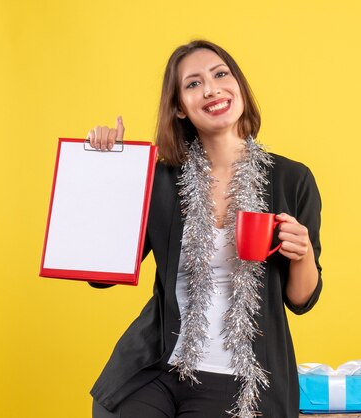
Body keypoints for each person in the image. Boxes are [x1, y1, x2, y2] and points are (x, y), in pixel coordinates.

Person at [88, 40, 323, 418]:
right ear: (179, 107)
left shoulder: (291, 179)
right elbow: (103, 274)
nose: (211, 89)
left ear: (239, 86)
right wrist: (113, 172)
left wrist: (304, 253)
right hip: (155, 367)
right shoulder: (162, 179)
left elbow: (301, 300)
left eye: (220, 75)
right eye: (193, 84)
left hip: (239, 378)